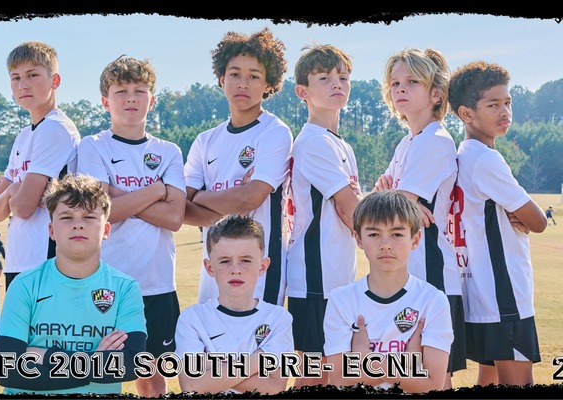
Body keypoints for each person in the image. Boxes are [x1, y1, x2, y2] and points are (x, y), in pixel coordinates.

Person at [76, 55, 185, 396]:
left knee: (152, 377)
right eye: (121, 91)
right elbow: (99, 212)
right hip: (107, 285)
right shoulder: (92, 146)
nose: (131, 98)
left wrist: (116, 195)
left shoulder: (169, 151)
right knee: (103, 373)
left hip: (157, 284)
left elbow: (174, 218)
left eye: (139, 91)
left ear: (152, 100)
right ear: (105, 101)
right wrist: (156, 190)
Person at [0, 175, 147, 395]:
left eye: (89, 217)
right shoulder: (25, 285)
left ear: (106, 230)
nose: (78, 224)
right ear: (51, 230)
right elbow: (9, 370)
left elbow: (132, 363)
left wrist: (46, 356)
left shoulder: (125, 288)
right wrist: (94, 364)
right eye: (66, 217)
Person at [372, 48, 465, 387]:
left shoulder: (434, 141)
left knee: (434, 379)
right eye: (395, 82)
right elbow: (385, 204)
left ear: (436, 94)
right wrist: (393, 199)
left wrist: (394, 200)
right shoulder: (408, 143)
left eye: (412, 81)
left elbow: (386, 212)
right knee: (409, 377)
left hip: (431, 274)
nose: (400, 88)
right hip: (407, 275)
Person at [451, 61, 547, 386]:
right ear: (466, 113)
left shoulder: (462, 155)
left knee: (488, 379)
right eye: (493, 105)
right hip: (504, 296)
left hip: (478, 295)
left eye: (508, 102)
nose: (504, 111)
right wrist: (524, 216)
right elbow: (538, 221)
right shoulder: (486, 159)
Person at [183, 29, 292, 307]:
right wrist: (231, 201)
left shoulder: (274, 133)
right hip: (213, 271)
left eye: (254, 76)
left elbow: (249, 199)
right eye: (234, 74)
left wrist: (201, 196)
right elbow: (182, 207)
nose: (243, 83)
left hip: (260, 274)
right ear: (222, 79)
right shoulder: (205, 140)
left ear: (268, 84)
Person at [284, 43, 361, 388]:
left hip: (337, 276)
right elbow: (351, 208)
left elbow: (353, 207)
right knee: (313, 376)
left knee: (335, 374)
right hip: (315, 277)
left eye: (342, 77)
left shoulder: (340, 144)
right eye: (324, 78)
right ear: (303, 91)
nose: (337, 84)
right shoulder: (314, 142)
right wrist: (396, 217)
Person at [324, 190, 453, 393]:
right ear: (358, 239)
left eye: (397, 234)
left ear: (415, 239)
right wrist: (406, 364)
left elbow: (433, 384)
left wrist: (367, 361)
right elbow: (340, 380)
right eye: (374, 234)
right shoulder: (341, 300)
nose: (385, 245)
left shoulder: (433, 301)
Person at [0, 41, 80, 289]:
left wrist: (11, 191)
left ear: (55, 81)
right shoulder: (24, 135)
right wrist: (13, 192)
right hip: (19, 258)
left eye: (32, 75)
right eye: (16, 78)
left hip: (46, 258)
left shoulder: (55, 128)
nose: (23, 85)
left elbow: (23, 207)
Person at [175, 214, 292, 395]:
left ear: (262, 266)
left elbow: (274, 387)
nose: (236, 269)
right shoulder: (192, 319)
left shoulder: (278, 319)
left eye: (246, 260)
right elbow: (192, 385)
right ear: (210, 268)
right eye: (225, 261)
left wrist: (211, 368)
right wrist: (257, 361)